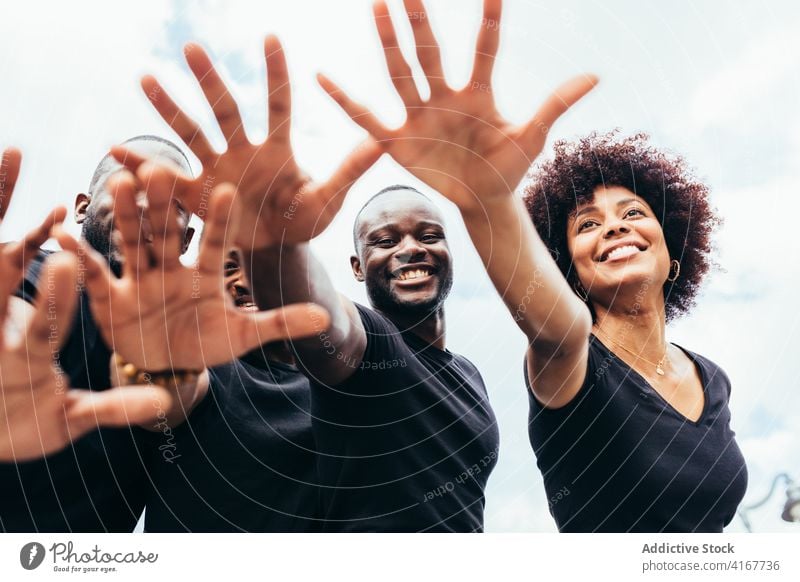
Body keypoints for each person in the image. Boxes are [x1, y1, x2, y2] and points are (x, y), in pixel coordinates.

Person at [1, 137, 325, 531]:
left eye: (173, 204)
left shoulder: (185, 337)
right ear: (83, 207)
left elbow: (170, 398)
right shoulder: (33, 271)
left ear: (185, 240)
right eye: (129, 188)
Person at [520, 131, 747, 532]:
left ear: (671, 245)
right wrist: (487, 199)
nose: (614, 228)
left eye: (633, 213)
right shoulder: (568, 358)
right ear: (568, 273)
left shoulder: (713, 378)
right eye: (588, 224)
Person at [140, 249, 323, 532]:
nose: (246, 283)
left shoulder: (332, 387)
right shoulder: (203, 365)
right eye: (227, 268)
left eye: (263, 266)